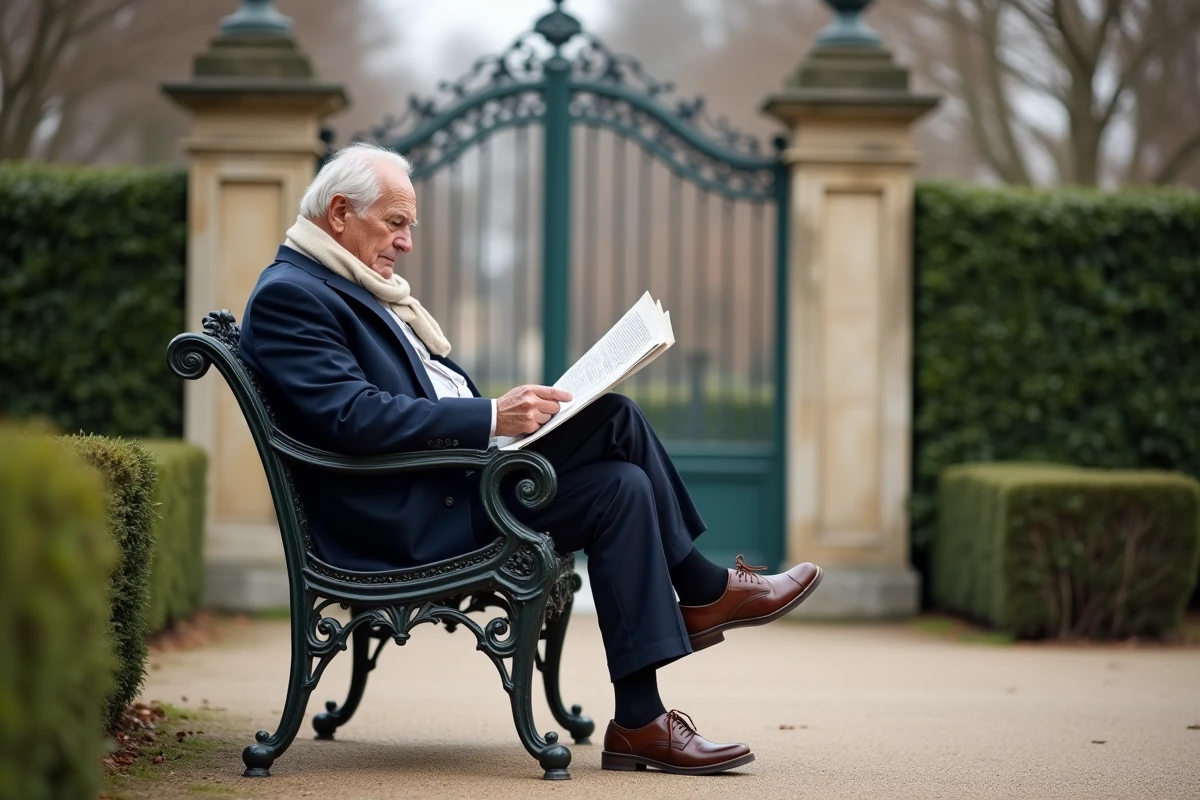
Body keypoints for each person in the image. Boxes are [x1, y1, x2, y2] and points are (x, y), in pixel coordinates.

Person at [239, 142, 823, 776]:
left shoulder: (347, 283)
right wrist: (493, 417)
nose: (407, 241)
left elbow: (394, 402)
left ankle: (640, 723)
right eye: (396, 222)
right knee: (616, 419)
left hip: (448, 485)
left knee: (621, 486)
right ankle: (706, 592)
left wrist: (512, 423)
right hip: (403, 516)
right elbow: (352, 417)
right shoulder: (293, 295)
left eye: (410, 225)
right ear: (340, 212)